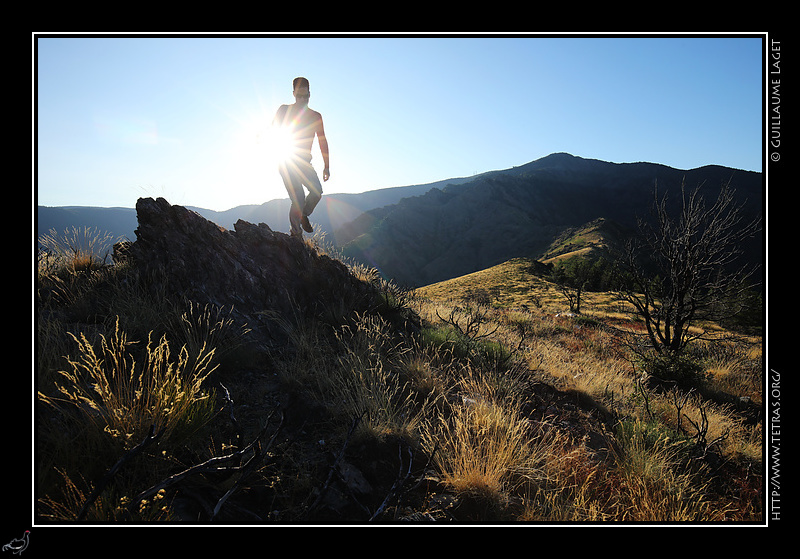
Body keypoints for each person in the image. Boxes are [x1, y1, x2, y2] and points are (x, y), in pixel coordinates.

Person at [272, 77, 330, 238]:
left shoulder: (315, 116)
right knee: (298, 197)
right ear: (293, 94)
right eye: (299, 96)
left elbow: (322, 140)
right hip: (287, 160)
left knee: (317, 191)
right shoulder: (284, 110)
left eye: (306, 96)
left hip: (304, 162)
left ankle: (304, 215)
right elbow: (273, 130)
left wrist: (326, 166)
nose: (302, 100)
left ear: (310, 95)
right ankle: (296, 234)